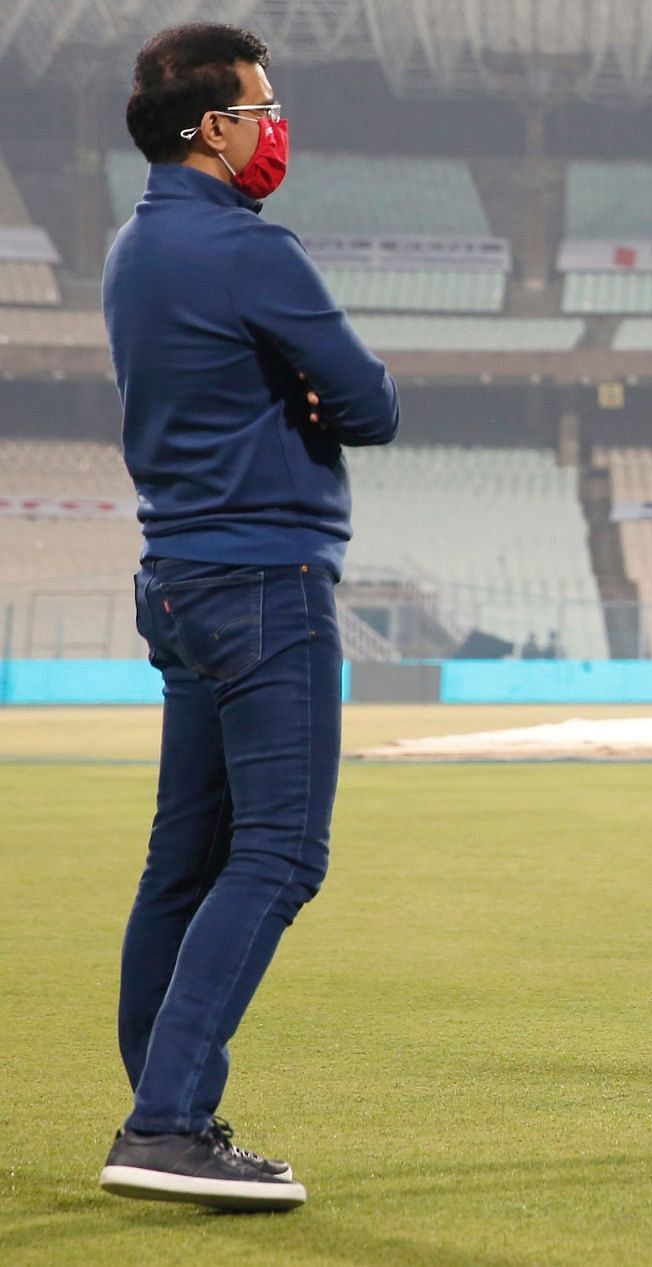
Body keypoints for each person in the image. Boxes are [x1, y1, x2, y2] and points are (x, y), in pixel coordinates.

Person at [99, 23, 400, 1211]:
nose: (276, 127)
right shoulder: (250, 252)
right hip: (267, 578)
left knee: (184, 861)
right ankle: (166, 1121)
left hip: (176, 577)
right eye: (263, 108)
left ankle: (160, 1102)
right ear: (213, 125)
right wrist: (316, 400)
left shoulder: (133, 248)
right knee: (282, 853)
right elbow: (370, 403)